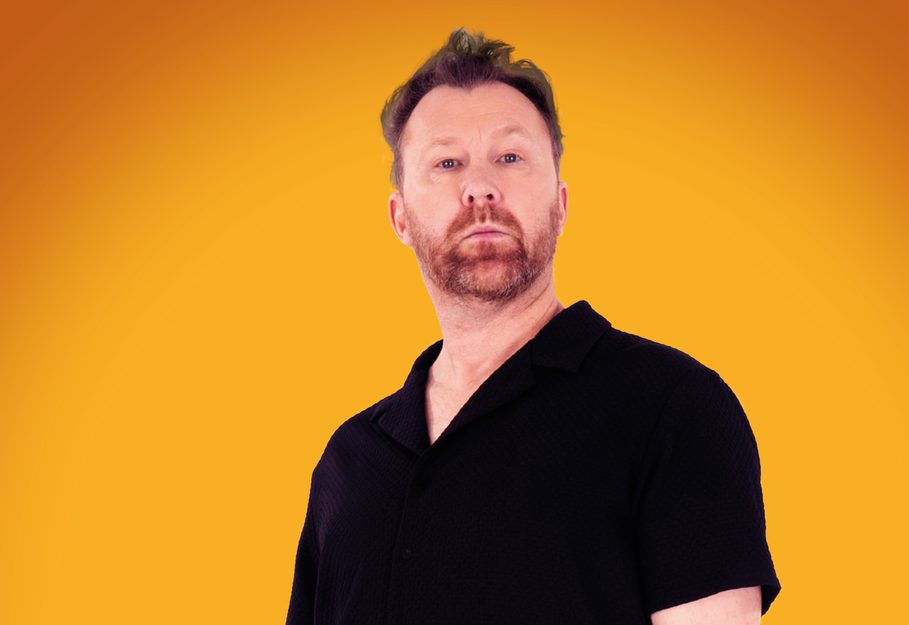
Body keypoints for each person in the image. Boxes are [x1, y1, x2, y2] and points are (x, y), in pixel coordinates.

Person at [285, 27, 781, 625]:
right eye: (447, 163)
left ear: (561, 203)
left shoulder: (674, 409)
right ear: (401, 218)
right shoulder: (349, 462)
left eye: (510, 157)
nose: (480, 188)